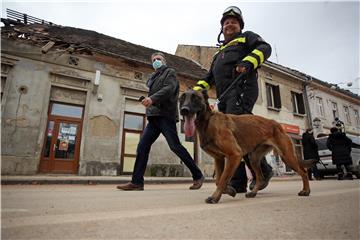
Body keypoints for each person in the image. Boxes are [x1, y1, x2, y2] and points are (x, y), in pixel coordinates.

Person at [193, 6, 273, 193]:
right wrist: (193, 92)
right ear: (222, 28)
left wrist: (248, 61)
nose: (230, 25)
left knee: (231, 136)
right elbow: (209, 78)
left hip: (241, 90)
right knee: (241, 136)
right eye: (226, 22)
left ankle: (236, 183)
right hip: (224, 96)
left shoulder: (247, 38)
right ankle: (263, 171)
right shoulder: (218, 54)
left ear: (240, 26)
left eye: (234, 22)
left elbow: (264, 48)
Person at [117, 52, 204, 191]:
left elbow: (169, 89)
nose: (156, 61)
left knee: (175, 146)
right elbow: (156, 93)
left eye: (159, 59)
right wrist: (148, 101)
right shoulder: (153, 77)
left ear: (164, 61)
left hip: (166, 115)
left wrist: (152, 99)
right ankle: (137, 182)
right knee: (142, 147)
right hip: (153, 117)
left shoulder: (170, 73)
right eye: (154, 60)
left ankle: (198, 175)